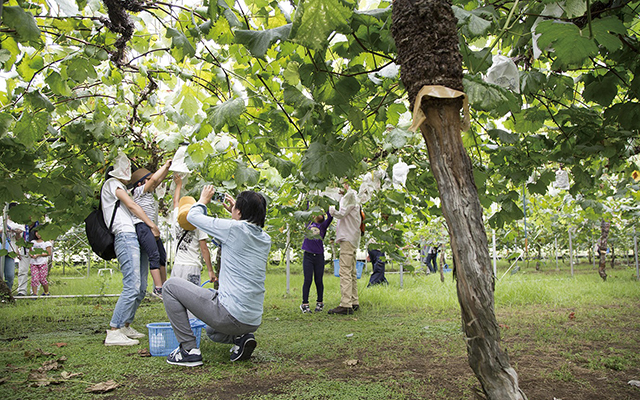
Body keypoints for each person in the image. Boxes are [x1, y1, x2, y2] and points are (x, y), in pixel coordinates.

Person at [162, 186, 271, 367]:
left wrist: (202, 201)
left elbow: (192, 217)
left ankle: (188, 350)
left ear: (240, 211)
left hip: (230, 315)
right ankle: (242, 338)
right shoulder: (265, 238)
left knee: (169, 286)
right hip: (253, 319)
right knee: (212, 332)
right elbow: (240, 233)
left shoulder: (234, 229)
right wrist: (236, 215)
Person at [102, 151, 160, 346]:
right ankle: (114, 330)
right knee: (133, 285)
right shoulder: (112, 184)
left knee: (141, 287)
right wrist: (150, 224)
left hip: (133, 236)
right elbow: (132, 206)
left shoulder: (122, 187)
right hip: (125, 236)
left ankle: (126, 324)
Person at [129, 161, 172, 299]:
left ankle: (165, 286)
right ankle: (158, 288)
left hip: (149, 227)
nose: (152, 182)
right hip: (142, 226)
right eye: (147, 180)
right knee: (154, 255)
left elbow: (157, 179)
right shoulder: (138, 191)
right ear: (140, 183)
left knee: (162, 255)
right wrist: (165, 166)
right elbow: (154, 179)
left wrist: (168, 168)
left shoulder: (148, 193)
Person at [170, 174, 215, 286]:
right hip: (192, 267)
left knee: (177, 296)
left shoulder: (176, 219)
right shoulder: (198, 223)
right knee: (191, 299)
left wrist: (179, 185)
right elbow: (204, 249)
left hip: (178, 265)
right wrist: (210, 270)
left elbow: (176, 202)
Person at [327, 182, 362, 315]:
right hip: (352, 237)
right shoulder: (353, 196)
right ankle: (354, 301)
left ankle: (346, 304)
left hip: (347, 238)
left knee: (345, 270)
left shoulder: (349, 195)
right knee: (351, 270)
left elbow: (341, 213)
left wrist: (330, 207)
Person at [300, 209, 333, 313]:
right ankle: (305, 304)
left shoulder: (323, 226)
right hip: (308, 255)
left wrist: (326, 205)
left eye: (320, 213)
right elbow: (307, 208)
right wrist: (311, 197)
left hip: (319, 256)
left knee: (318, 280)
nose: (317, 214)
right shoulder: (308, 223)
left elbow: (330, 215)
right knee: (307, 280)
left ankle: (320, 303)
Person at [1, 202, 24, 292]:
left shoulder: (19, 222)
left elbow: (19, 239)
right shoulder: (1, 220)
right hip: (1, 249)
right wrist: (3, 230)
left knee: (10, 275)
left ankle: (8, 293)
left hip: (10, 251)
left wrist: (17, 232)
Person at [16, 221, 38, 296]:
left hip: (36, 249)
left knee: (36, 272)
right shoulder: (22, 226)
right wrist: (17, 249)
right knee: (22, 270)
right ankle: (22, 291)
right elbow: (17, 239)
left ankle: (34, 291)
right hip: (24, 249)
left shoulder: (39, 226)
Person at [29, 228, 52, 296]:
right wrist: (31, 255)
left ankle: (46, 292)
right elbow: (30, 251)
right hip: (34, 263)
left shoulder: (46, 243)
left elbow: (48, 253)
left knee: (42, 279)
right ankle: (34, 293)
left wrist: (39, 255)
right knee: (34, 278)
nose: (38, 234)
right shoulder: (32, 242)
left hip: (42, 263)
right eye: (37, 232)